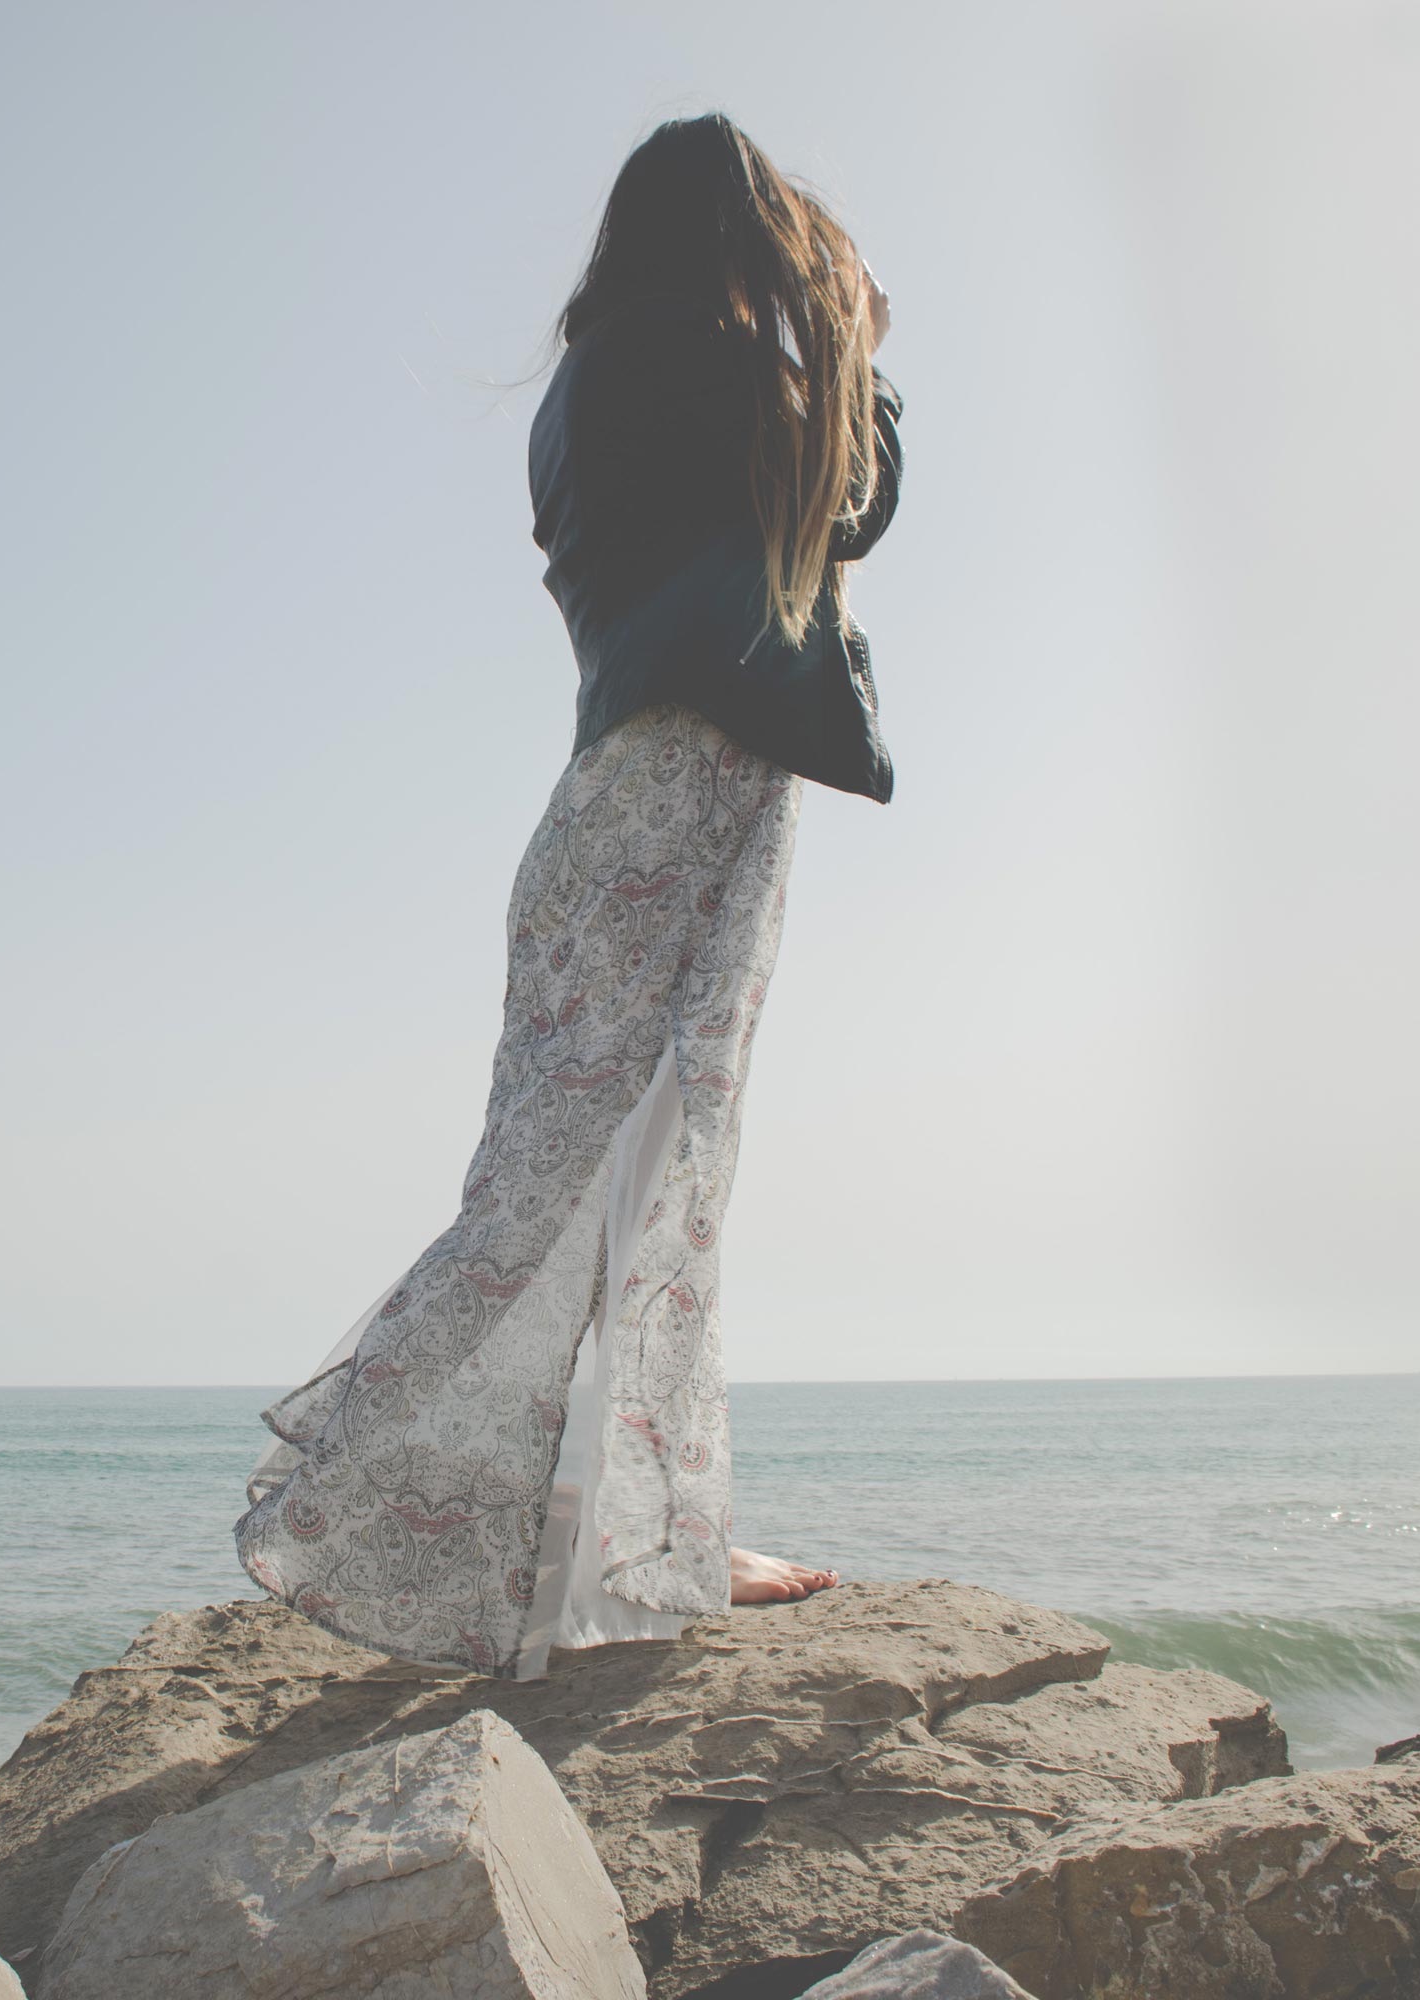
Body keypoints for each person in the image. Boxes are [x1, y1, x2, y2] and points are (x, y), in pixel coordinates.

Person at [236, 113, 902, 1680]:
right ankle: (567, 1522)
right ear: (732, 237)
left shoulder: (586, 385)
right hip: (683, 800)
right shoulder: (701, 358)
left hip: (606, 809)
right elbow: (847, 503)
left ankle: (605, 1522)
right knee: (644, 1174)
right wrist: (858, 348)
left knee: (566, 1180)